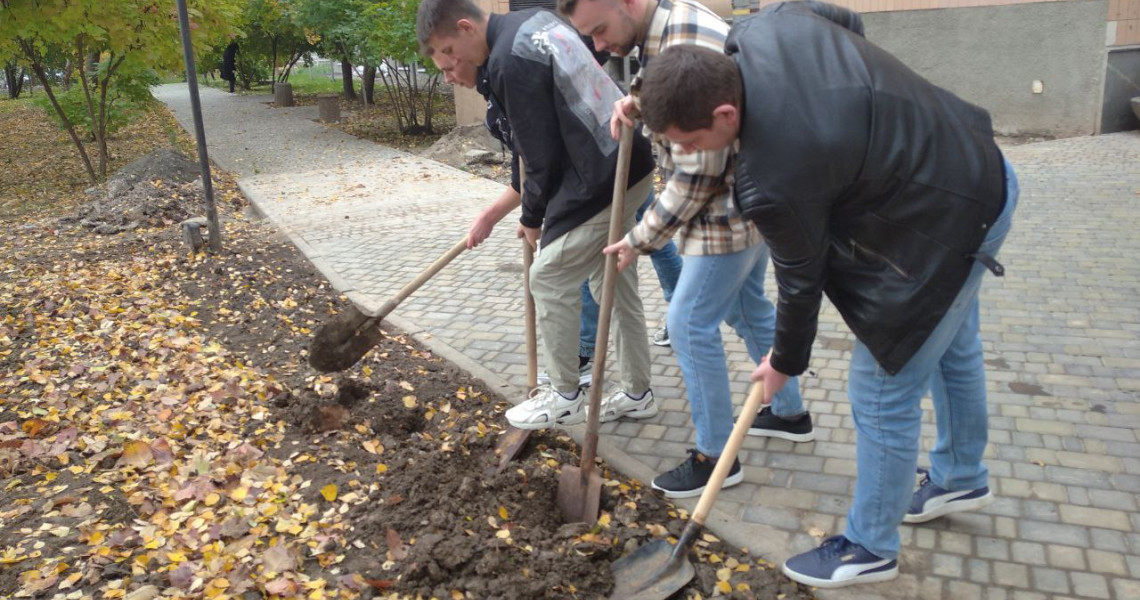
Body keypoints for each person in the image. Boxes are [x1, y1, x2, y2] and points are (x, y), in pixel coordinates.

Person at [636, 1, 1018, 588]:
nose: (687, 155)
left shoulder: (773, 176)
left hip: (950, 216)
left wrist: (784, 364)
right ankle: (961, 474)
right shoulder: (763, 28)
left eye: (688, 142)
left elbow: (799, 277)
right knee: (955, 344)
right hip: (975, 159)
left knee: (882, 387)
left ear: (726, 112)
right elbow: (846, 22)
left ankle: (871, 546)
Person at [560, 0, 814, 499]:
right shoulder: (672, 21)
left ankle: (715, 454)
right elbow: (660, 76)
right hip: (745, 208)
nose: (598, 45)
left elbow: (696, 176)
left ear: (627, 3)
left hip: (724, 217)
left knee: (687, 324)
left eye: (600, 29)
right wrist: (632, 99)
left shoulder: (686, 39)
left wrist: (640, 237)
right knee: (748, 310)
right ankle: (790, 413)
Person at [416, 0, 656, 430]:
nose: (451, 67)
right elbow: (526, 152)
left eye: (449, 52)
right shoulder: (530, 24)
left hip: (601, 174)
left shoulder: (510, 60)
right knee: (612, 282)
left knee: (548, 276)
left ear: (467, 28)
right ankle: (638, 392)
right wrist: (496, 215)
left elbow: (540, 159)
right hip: (625, 160)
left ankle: (565, 395)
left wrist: (533, 218)